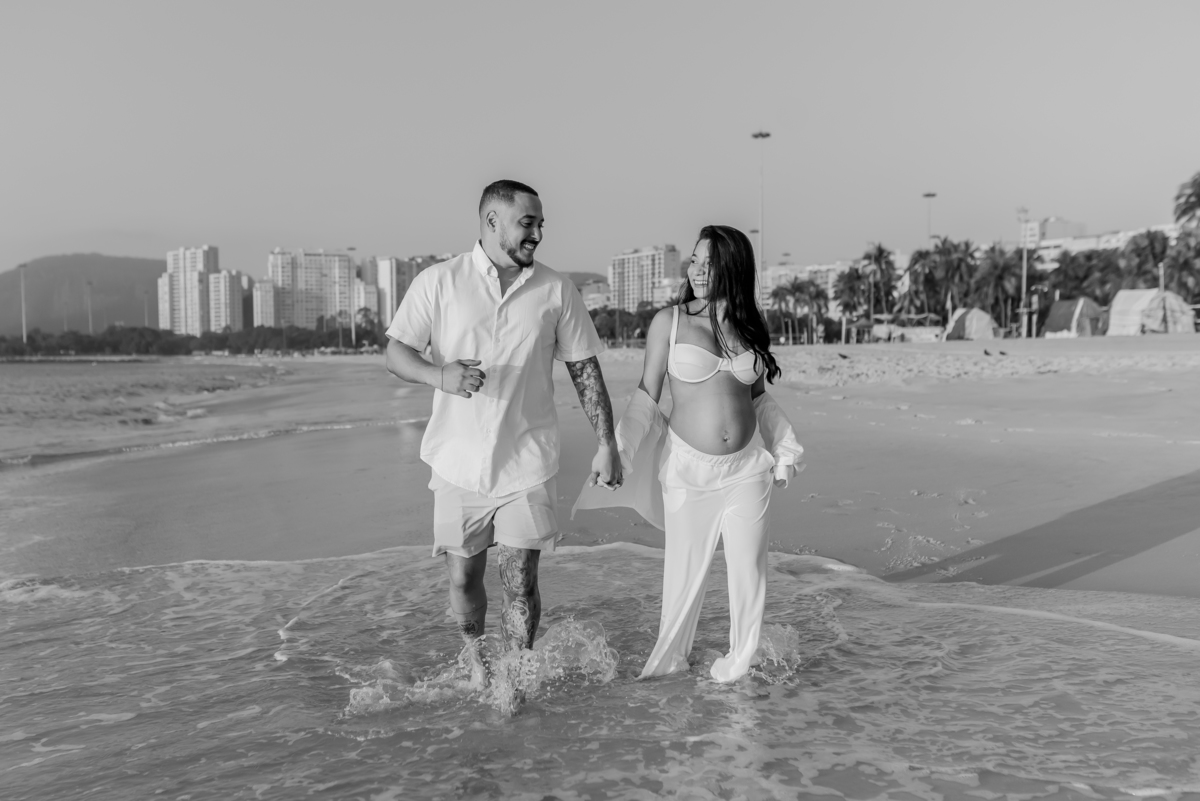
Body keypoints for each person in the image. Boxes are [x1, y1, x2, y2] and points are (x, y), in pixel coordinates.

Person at [384, 179, 622, 682]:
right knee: (463, 577)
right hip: (457, 460)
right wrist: (439, 375)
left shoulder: (556, 289)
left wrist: (607, 444)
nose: (537, 233)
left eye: (540, 224)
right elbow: (397, 352)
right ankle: (475, 659)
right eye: (527, 223)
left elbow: (585, 369)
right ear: (493, 222)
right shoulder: (439, 281)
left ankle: (513, 678)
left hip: (528, 459)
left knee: (520, 578)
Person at [575, 225, 802, 683]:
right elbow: (646, 396)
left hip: (746, 471)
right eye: (694, 260)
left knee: (749, 579)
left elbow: (758, 399)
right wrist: (616, 450)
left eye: (709, 263)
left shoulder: (750, 324)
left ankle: (738, 674)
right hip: (688, 472)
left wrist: (785, 445)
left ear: (733, 268)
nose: (697, 270)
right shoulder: (670, 322)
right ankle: (668, 675)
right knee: (682, 585)